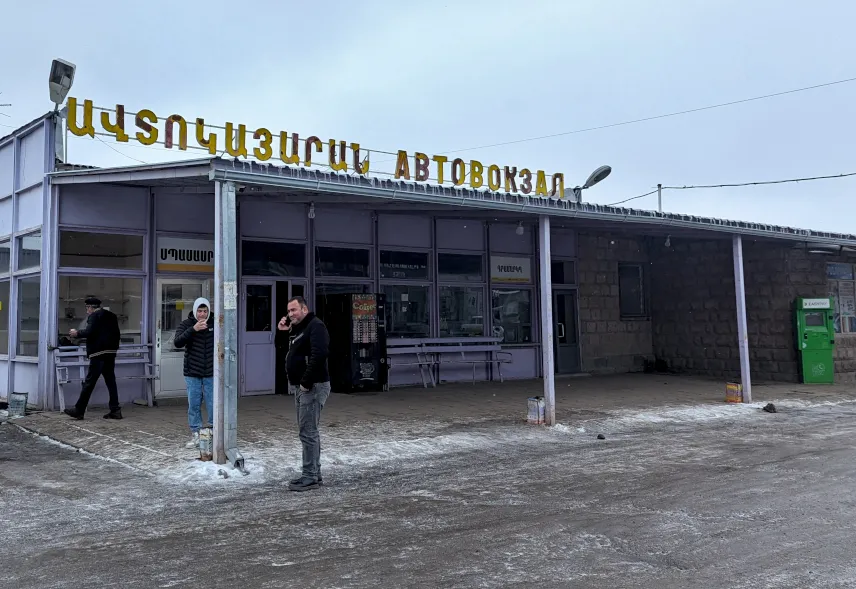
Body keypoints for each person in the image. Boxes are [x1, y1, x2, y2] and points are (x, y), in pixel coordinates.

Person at [276, 296, 331, 491]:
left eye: (294, 310)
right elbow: (284, 351)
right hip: (303, 387)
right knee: (308, 432)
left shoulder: (315, 326)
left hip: (313, 386)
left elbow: (320, 354)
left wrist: (306, 382)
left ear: (304, 309)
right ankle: (314, 474)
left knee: (308, 432)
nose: (290, 314)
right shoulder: (298, 329)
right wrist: (282, 333)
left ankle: (310, 476)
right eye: (289, 311)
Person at [64, 296, 122, 420]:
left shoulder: (94, 316)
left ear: (90, 307)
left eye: (87, 308)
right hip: (110, 353)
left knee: (89, 383)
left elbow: (90, 331)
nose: (87, 311)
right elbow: (117, 333)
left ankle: (79, 410)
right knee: (111, 382)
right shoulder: (112, 315)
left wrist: (76, 333)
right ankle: (115, 409)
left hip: (98, 353)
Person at [174, 297, 215, 449]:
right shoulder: (187, 324)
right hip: (192, 372)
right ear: (194, 311)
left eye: (205, 311)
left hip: (211, 372)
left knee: (212, 403)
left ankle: (212, 433)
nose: (202, 315)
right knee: (194, 404)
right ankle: (196, 433)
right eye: (199, 311)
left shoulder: (214, 323)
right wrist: (193, 329)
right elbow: (177, 342)